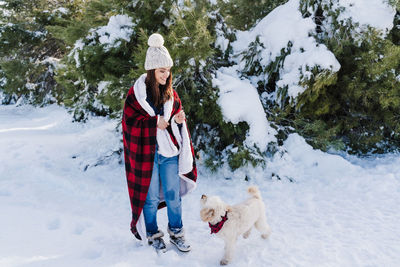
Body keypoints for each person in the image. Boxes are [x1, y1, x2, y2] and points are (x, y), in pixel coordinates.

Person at [122, 33, 197, 252]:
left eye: (168, 70)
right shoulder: (135, 96)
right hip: (147, 153)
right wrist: (154, 122)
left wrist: (179, 120)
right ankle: (154, 233)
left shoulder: (171, 94)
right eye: (162, 70)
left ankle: (177, 232)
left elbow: (176, 118)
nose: (166, 74)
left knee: (173, 195)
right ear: (152, 71)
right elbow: (129, 123)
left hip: (168, 153)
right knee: (151, 196)